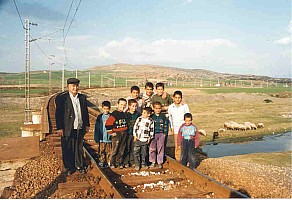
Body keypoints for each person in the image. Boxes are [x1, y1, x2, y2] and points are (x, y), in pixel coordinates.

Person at [55, 78, 90, 176]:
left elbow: (85, 112)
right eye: (73, 86)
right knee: (68, 147)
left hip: (79, 126)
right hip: (67, 127)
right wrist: (59, 128)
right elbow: (58, 114)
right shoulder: (63, 98)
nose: (75, 88)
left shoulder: (82, 98)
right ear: (68, 87)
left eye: (76, 86)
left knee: (79, 147)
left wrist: (87, 125)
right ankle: (69, 167)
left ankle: (79, 165)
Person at [105, 98, 128, 168]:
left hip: (124, 133)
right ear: (117, 104)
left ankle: (119, 162)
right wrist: (111, 133)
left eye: (124, 105)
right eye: (121, 105)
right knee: (115, 148)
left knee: (122, 149)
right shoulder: (114, 114)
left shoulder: (124, 114)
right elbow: (108, 124)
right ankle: (112, 162)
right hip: (117, 134)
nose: (122, 106)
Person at [168, 90, 190, 161]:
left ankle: (185, 159)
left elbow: (188, 116)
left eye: (179, 97)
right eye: (176, 97)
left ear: (181, 98)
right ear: (173, 98)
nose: (177, 99)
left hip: (185, 129)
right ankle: (178, 159)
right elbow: (170, 118)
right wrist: (171, 127)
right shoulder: (171, 107)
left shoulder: (184, 106)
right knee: (178, 145)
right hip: (176, 129)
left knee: (185, 145)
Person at [149, 101, 168, 169]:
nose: (158, 110)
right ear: (153, 108)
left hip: (161, 134)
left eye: (159, 108)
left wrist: (165, 133)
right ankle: (152, 161)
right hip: (153, 134)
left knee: (160, 148)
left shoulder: (163, 116)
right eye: (156, 108)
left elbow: (166, 124)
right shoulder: (151, 117)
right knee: (152, 148)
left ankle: (160, 161)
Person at [94, 101, 112, 168]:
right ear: (102, 108)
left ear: (109, 108)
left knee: (109, 151)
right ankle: (101, 161)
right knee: (101, 151)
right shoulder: (100, 117)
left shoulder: (111, 116)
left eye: (107, 109)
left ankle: (108, 162)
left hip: (109, 138)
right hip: (102, 138)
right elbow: (97, 128)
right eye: (104, 109)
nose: (106, 110)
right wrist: (96, 137)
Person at [124, 99, 141, 168]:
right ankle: (126, 161)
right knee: (127, 147)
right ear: (129, 106)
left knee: (134, 148)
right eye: (132, 106)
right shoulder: (126, 115)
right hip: (128, 133)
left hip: (135, 134)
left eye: (135, 106)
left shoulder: (138, 114)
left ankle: (132, 161)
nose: (134, 108)